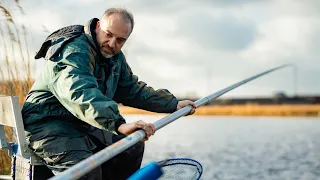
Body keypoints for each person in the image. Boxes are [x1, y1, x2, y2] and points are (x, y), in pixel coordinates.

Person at [22, 8, 196, 180]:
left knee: (132, 147)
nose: (113, 44)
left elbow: (132, 90)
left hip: (82, 124)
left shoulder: (115, 58)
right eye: (108, 34)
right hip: (47, 125)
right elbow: (80, 93)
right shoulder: (74, 50)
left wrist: (173, 104)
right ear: (98, 26)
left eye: (120, 40)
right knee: (87, 172)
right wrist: (118, 124)